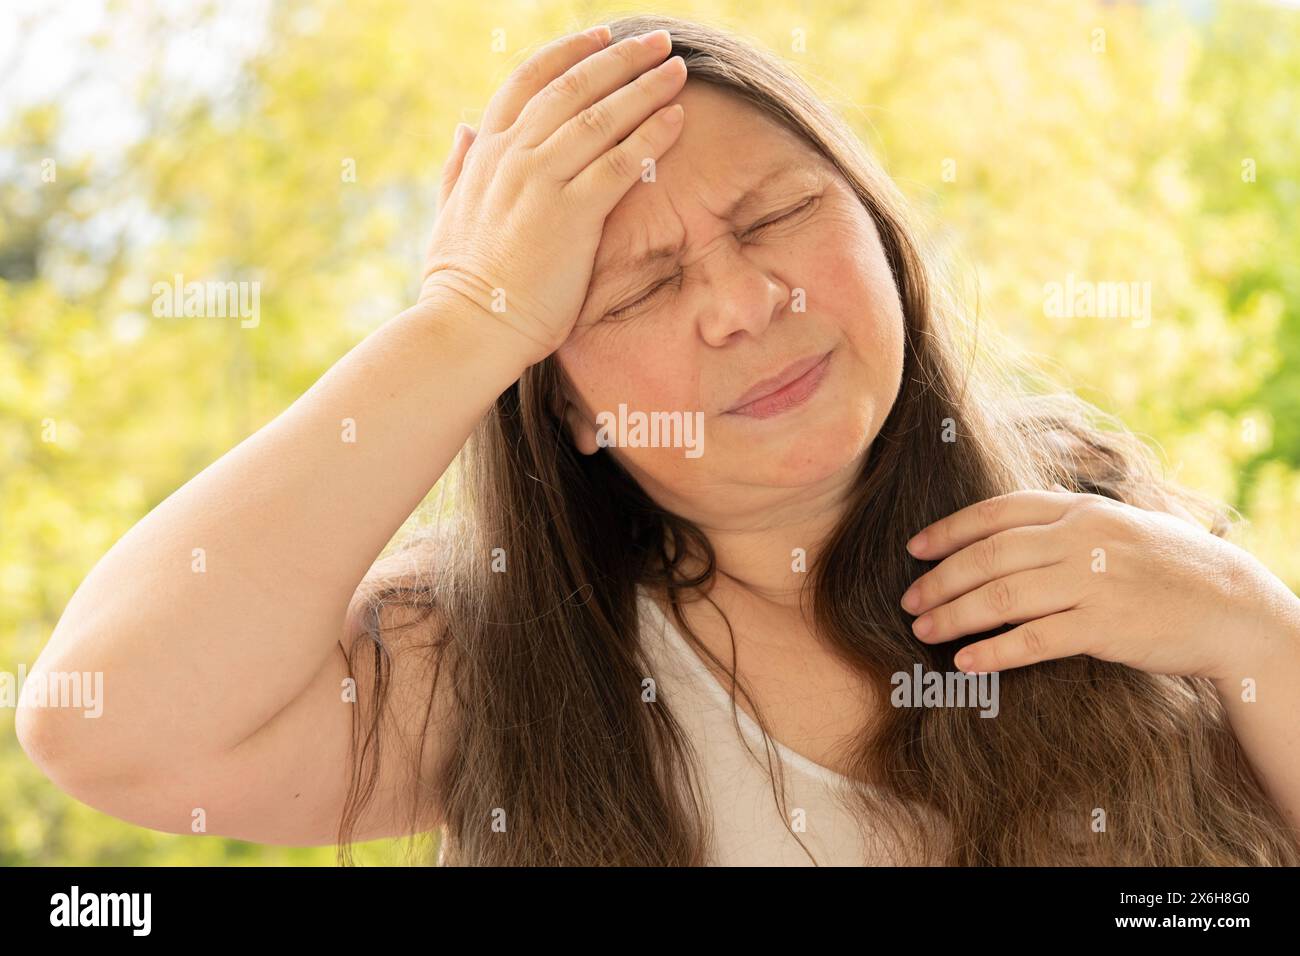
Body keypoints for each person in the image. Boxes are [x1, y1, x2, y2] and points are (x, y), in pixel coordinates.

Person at [19, 14, 1300, 866]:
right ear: (563, 400)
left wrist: (1252, 626)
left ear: (885, 239)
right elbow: (109, 724)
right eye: (634, 291)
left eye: (780, 214)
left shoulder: (1105, 515)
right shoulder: (503, 654)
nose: (743, 306)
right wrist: (466, 319)